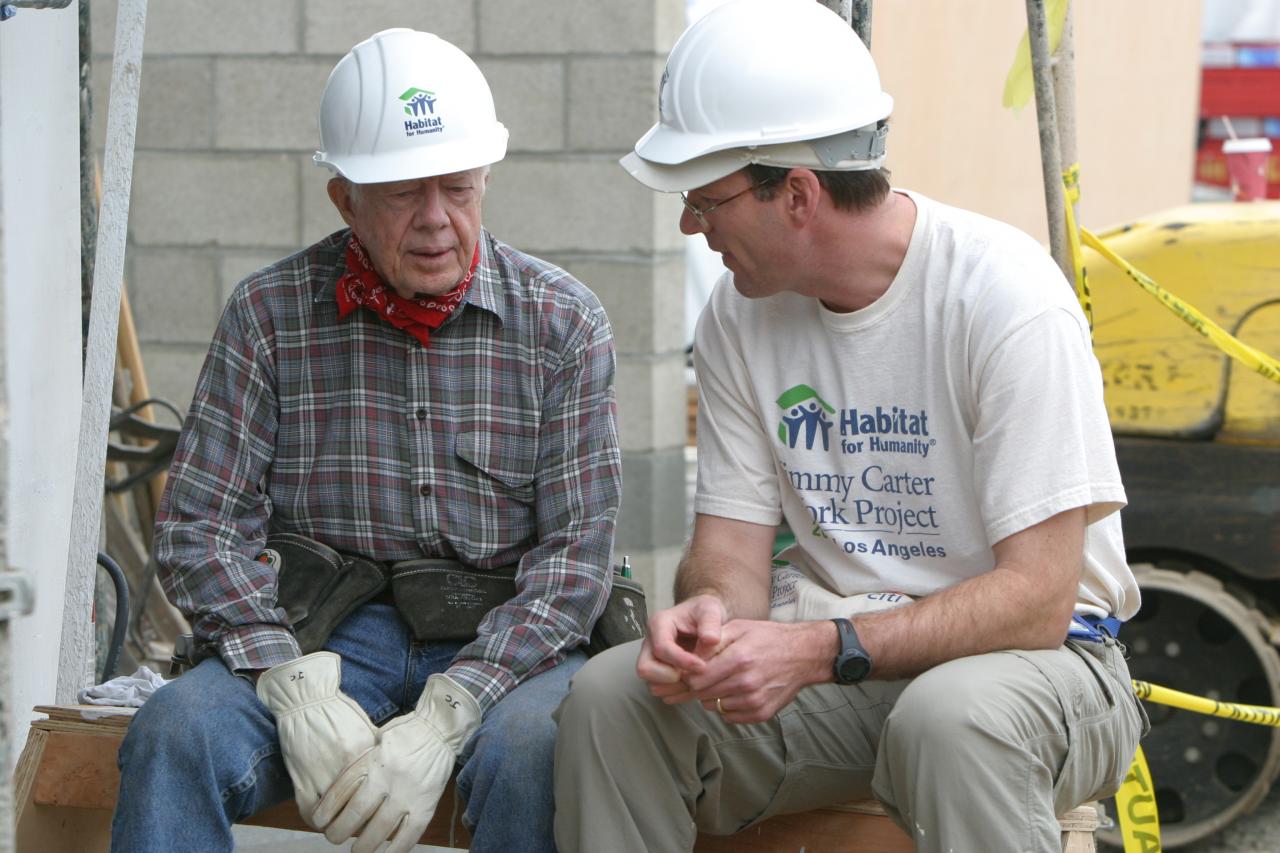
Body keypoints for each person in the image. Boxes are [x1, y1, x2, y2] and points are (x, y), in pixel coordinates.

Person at [553, 2, 1148, 851]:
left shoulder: (1005, 298)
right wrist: (713, 618)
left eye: (704, 197)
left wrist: (819, 648)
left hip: (1047, 669)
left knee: (950, 719)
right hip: (845, 668)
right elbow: (730, 545)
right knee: (616, 699)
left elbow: (1038, 599)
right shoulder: (738, 315)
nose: (690, 224)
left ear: (796, 193)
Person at [111, 27, 621, 853]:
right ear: (345, 199)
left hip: (503, 631)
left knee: (536, 751)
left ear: (486, 178)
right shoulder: (269, 316)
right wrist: (290, 681)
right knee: (176, 734)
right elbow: (199, 526)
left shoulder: (562, 323)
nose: (434, 221)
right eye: (400, 195)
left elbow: (576, 557)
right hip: (322, 628)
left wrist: (456, 706)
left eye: (457, 189)